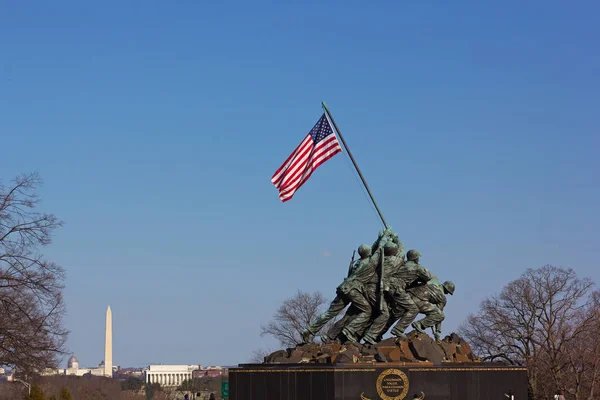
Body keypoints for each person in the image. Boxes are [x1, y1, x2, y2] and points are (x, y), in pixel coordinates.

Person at [301, 243, 381, 342]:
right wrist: (386, 236)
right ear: (369, 253)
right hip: (353, 289)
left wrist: (379, 239)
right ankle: (349, 330)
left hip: (343, 287)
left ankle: (309, 330)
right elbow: (379, 250)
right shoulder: (370, 263)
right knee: (367, 310)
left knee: (329, 313)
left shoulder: (357, 263)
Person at [408, 276, 455, 341]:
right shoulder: (442, 298)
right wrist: (438, 331)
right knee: (440, 315)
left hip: (410, 295)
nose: (447, 294)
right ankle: (420, 324)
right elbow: (439, 314)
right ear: (447, 290)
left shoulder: (433, 282)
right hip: (419, 302)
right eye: (448, 292)